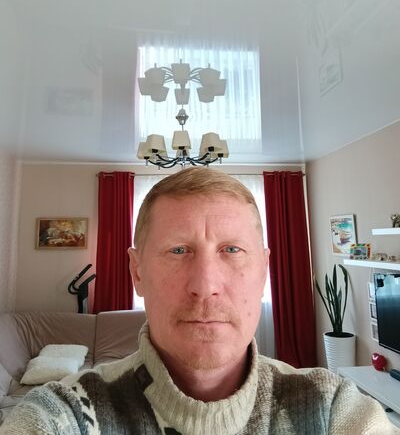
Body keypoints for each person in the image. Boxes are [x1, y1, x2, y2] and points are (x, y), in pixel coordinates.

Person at [1, 168, 398, 434]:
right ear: (137, 272)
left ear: (263, 270)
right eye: (178, 251)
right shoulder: (63, 414)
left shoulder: (334, 409)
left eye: (232, 250)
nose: (205, 286)